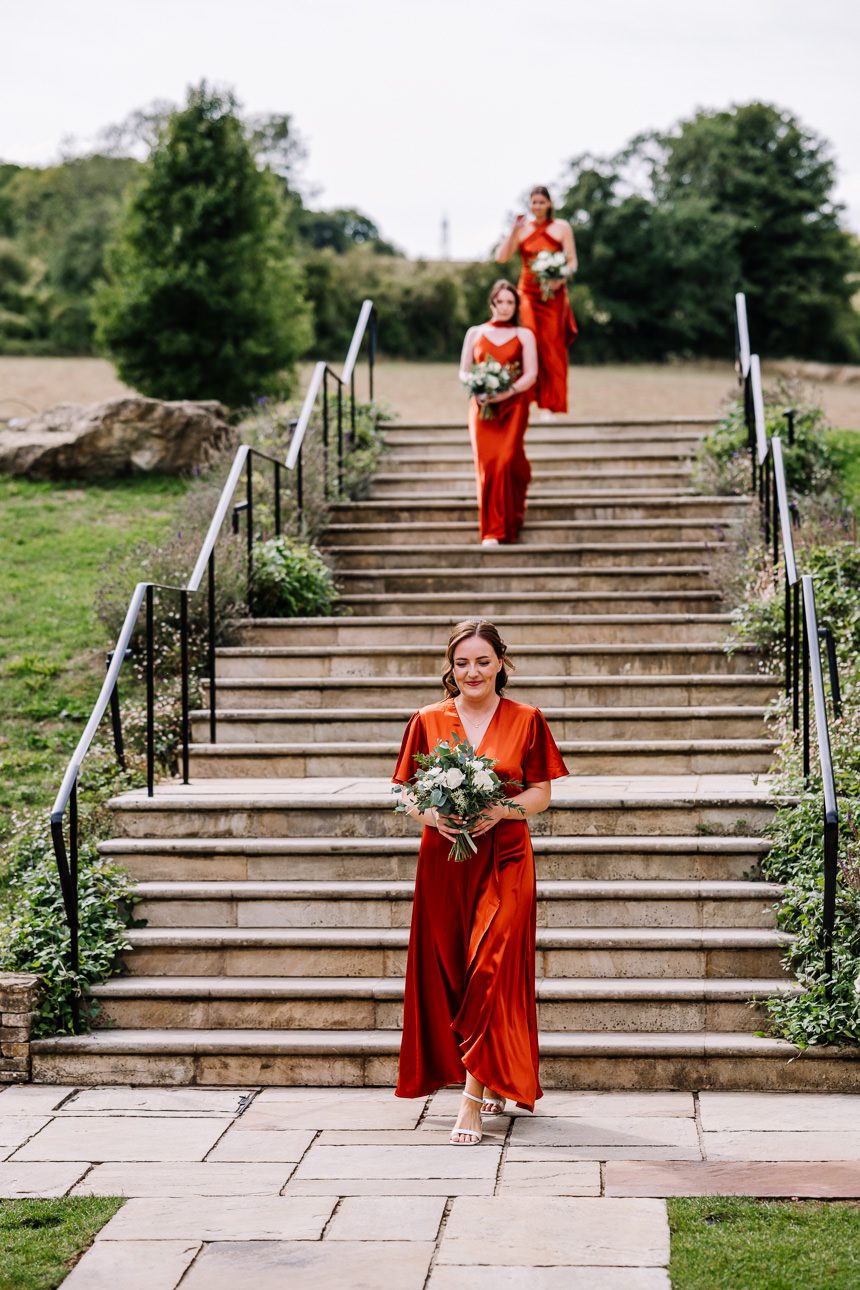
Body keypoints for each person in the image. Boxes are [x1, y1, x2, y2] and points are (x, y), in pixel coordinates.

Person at [392, 620, 569, 1145]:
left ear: (501, 665)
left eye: (483, 662)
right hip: (445, 859)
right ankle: (484, 1071)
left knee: (491, 967)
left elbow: (541, 792)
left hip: (506, 857)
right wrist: (430, 816)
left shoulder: (527, 719)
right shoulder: (425, 720)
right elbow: (404, 792)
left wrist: (504, 809)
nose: (473, 672)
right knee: (451, 972)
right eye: (463, 662)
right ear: (451, 667)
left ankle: (472, 1101)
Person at [458, 280, 537, 545]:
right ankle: (492, 530)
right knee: (487, 465)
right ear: (492, 302)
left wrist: (508, 391)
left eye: (510, 302)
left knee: (506, 461)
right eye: (500, 301)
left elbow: (532, 373)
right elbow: (464, 370)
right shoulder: (475, 333)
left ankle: (510, 518)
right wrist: (477, 387)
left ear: (516, 306)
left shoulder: (524, 334)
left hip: (513, 406)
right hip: (482, 409)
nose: (504, 307)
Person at [495, 185, 578, 417]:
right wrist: (513, 230)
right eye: (534, 202)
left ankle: (550, 404)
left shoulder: (562, 227)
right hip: (528, 294)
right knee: (529, 341)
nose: (538, 206)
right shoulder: (522, 230)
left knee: (552, 346)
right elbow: (501, 258)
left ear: (549, 204)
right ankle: (527, 397)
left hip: (554, 295)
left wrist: (560, 277)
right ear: (530, 205)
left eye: (542, 202)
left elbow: (572, 262)